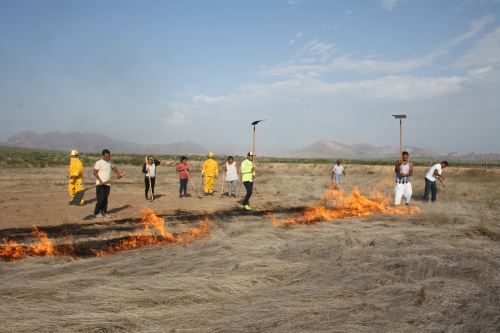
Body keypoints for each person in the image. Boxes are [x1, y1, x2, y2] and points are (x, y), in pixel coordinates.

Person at [93, 149, 124, 218]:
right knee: (100, 199)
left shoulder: (110, 162)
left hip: (107, 184)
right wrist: (100, 181)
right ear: (103, 155)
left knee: (105, 199)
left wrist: (118, 174)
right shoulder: (99, 162)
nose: (108, 157)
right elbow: (95, 173)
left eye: (109, 155)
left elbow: (114, 168)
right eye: (107, 155)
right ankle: (97, 212)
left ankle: (104, 211)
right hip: (100, 184)